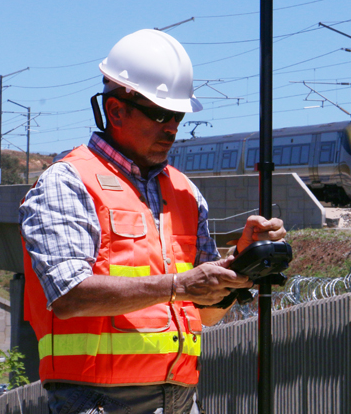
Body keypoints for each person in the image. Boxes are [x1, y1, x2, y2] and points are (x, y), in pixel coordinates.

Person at [19, 29, 285, 413]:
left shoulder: (185, 192)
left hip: (181, 400)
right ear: (116, 110)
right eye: (160, 114)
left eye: (178, 115)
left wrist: (238, 267)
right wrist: (180, 285)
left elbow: (205, 313)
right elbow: (68, 295)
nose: (172, 127)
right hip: (97, 401)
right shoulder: (69, 182)